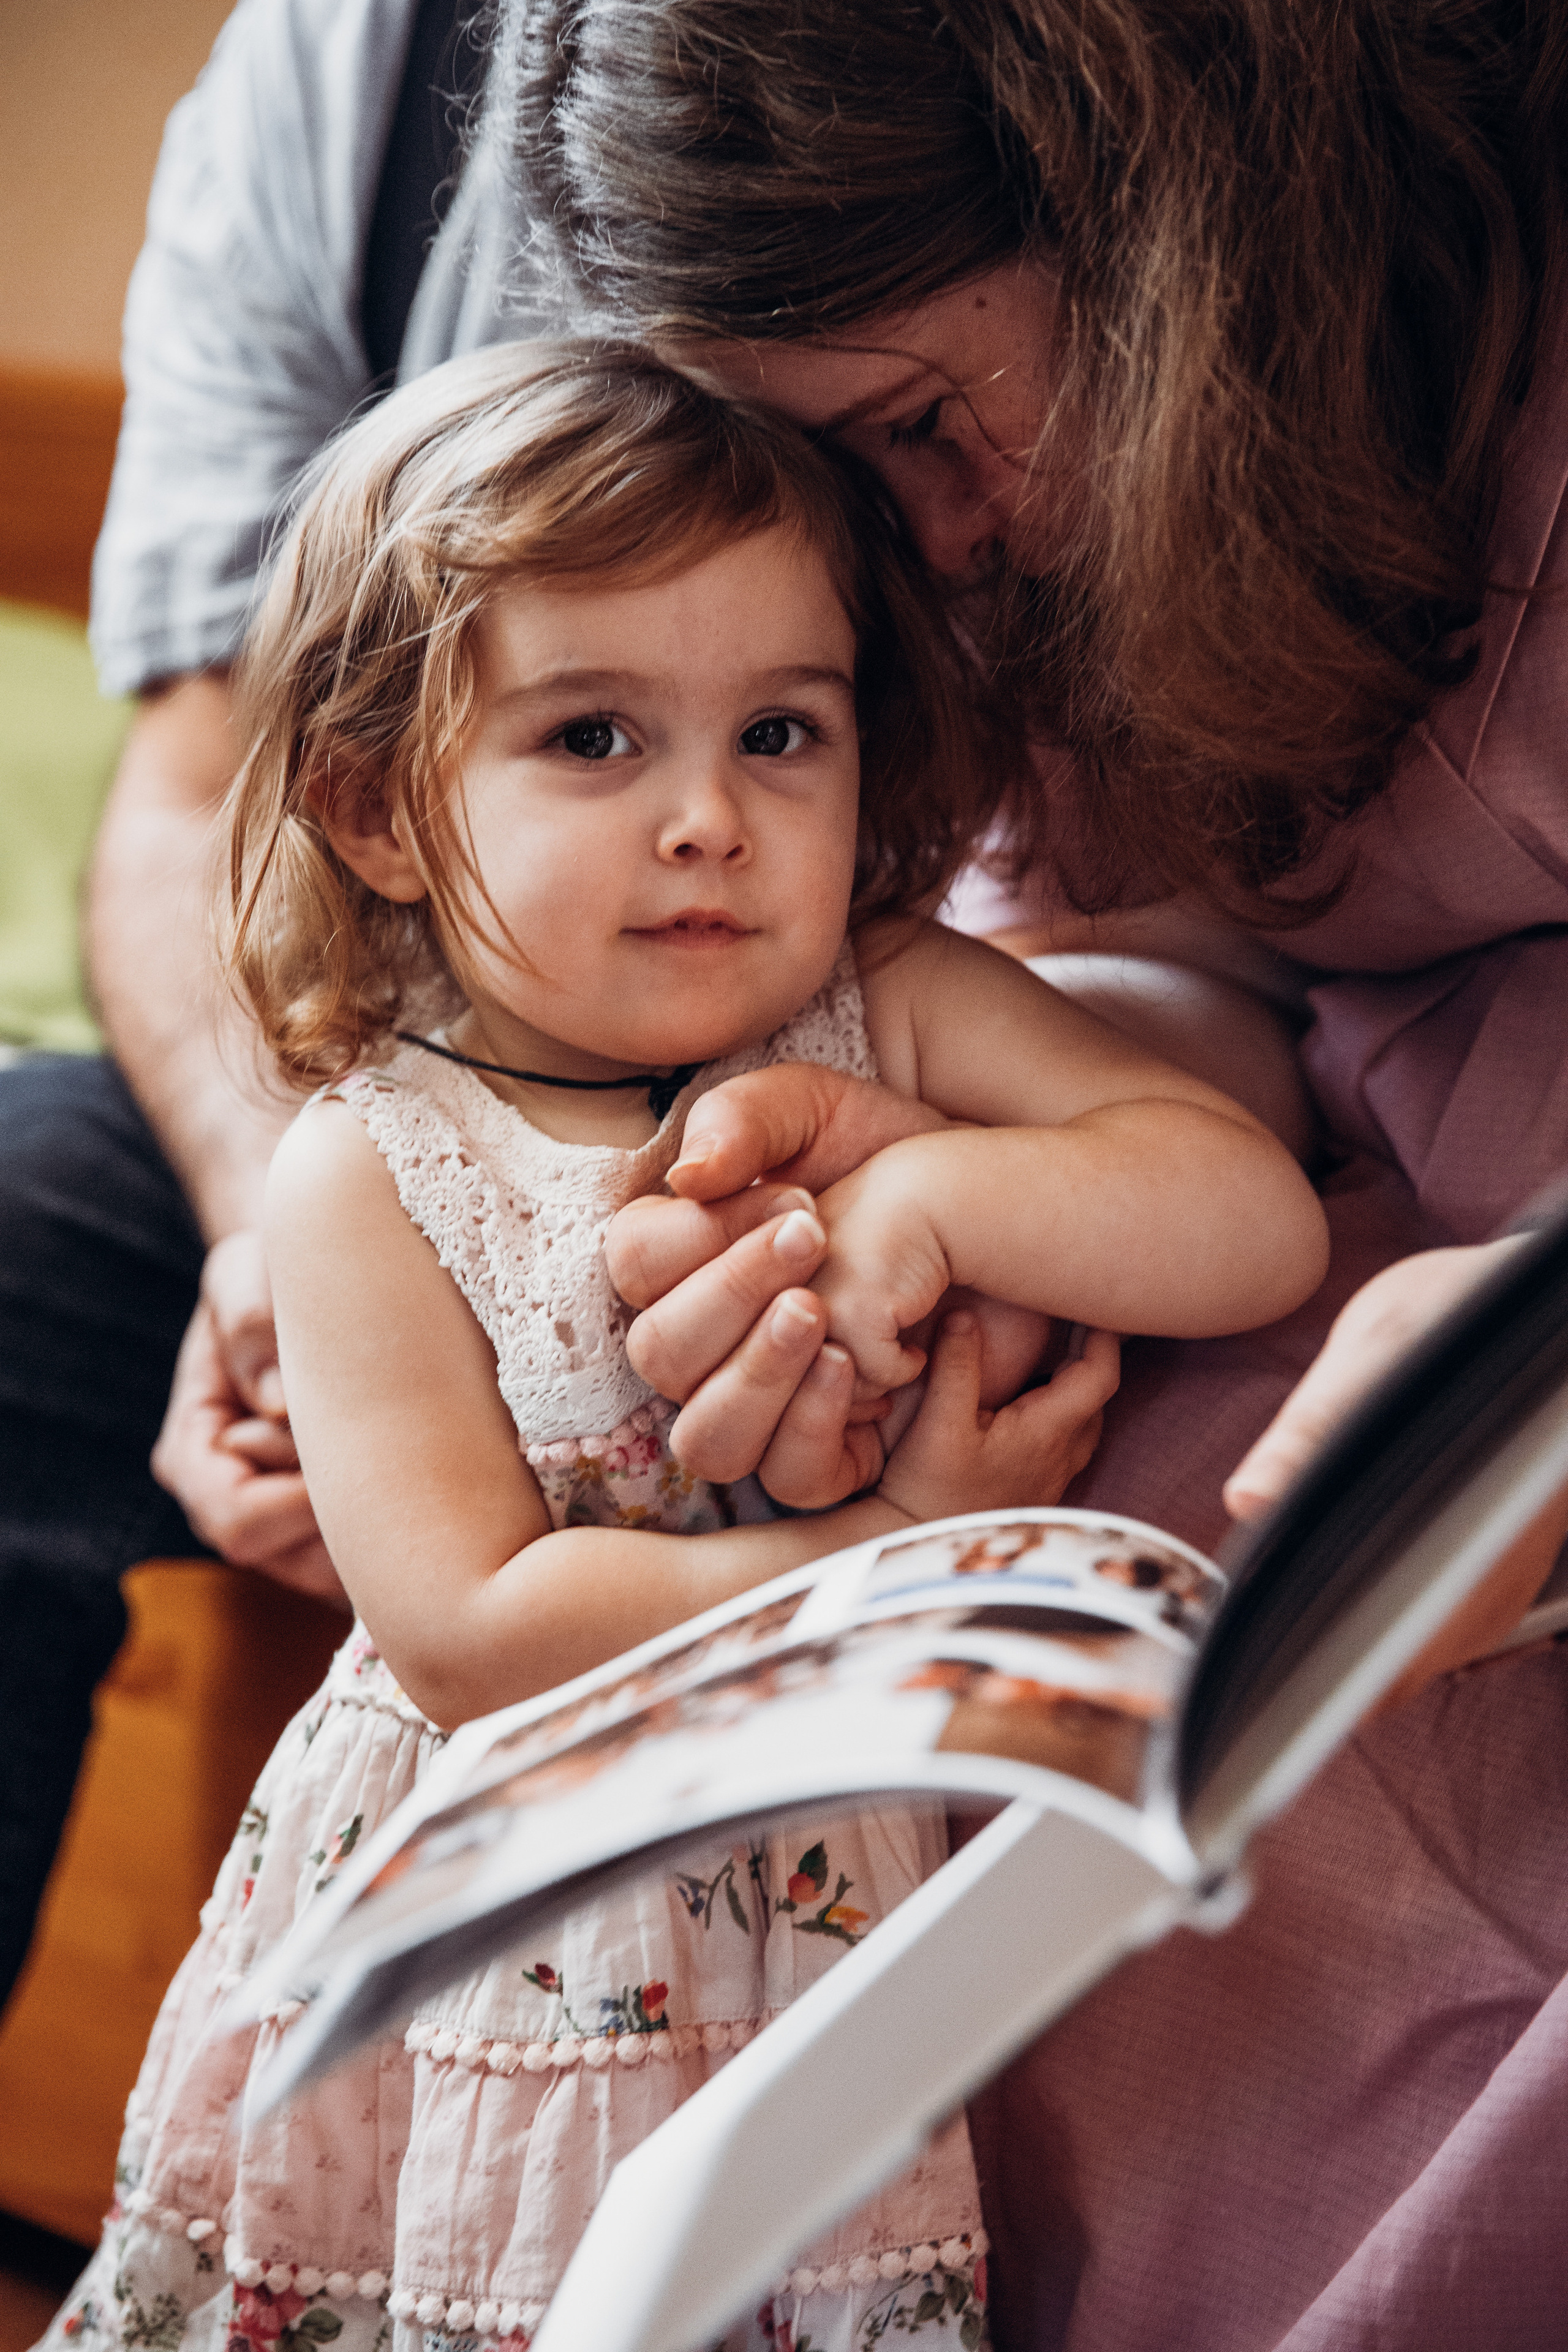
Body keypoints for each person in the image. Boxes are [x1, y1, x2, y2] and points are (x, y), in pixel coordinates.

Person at [35, 339, 1325, 2352]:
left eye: (783, 735)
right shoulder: (368, 1170)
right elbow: (472, 1623)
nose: (711, 818)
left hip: (813, 1924)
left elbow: (1251, 1224)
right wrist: (899, 1566)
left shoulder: (885, 1003)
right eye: (595, 739)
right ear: (378, 808)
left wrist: (935, 1194)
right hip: (520, 1930)